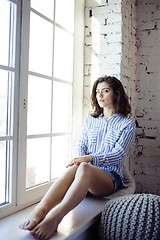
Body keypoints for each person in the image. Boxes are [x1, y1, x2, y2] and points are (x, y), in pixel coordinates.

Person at [19, 76, 135, 240]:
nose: (99, 95)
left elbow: (118, 155)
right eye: (97, 92)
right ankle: (41, 210)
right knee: (76, 167)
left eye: (105, 91)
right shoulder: (91, 119)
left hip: (109, 178)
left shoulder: (127, 124)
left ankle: (56, 216)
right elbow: (81, 143)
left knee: (84, 167)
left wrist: (89, 158)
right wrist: (80, 158)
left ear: (116, 94)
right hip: (85, 171)